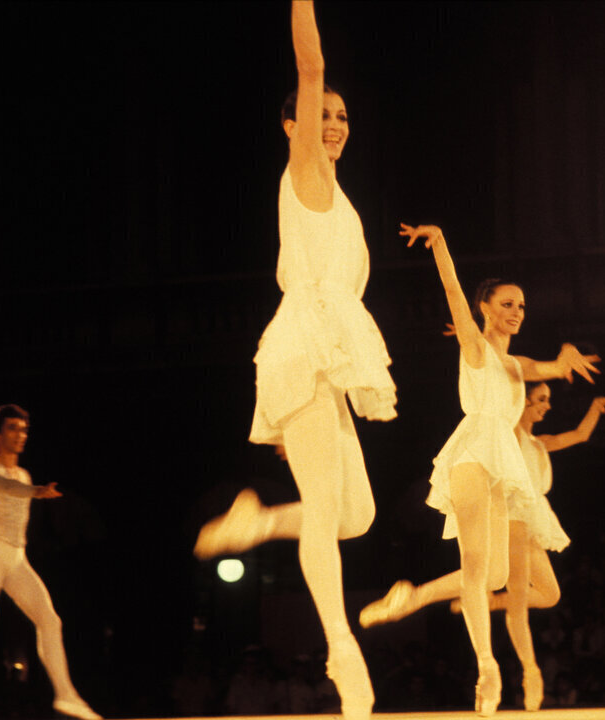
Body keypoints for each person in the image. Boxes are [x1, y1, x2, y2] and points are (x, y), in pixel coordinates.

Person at [193, 4, 396, 719]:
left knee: (356, 516)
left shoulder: (339, 198)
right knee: (326, 516)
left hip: (328, 358)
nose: (334, 122)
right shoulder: (304, 169)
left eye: (342, 115)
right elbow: (310, 65)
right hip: (303, 345)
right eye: (322, 114)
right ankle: (342, 648)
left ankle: (256, 522)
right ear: (294, 125)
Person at [359, 224, 598, 716]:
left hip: (502, 463)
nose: (516, 312)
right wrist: (442, 242)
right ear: (486, 308)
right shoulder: (474, 346)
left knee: (493, 575)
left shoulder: (517, 365)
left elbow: (551, 368)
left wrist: (564, 359)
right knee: (475, 568)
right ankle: (487, 667)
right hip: (471, 453)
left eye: (522, 306)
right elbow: (451, 289)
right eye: (507, 304)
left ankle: (411, 597)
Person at [454, 383, 605, 710]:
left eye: (548, 400)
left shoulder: (537, 442)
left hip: (532, 519)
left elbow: (579, 436)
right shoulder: (511, 434)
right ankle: (531, 672)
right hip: (514, 517)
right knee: (518, 606)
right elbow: (503, 404)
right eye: (541, 400)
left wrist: (595, 408)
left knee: (550, 594)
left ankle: (488, 602)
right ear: (523, 401)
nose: (547, 406)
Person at [0, 404, 100, 720]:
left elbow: (18, 486)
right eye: (12, 428)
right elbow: (4, 486)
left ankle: (66, 695)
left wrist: (31, 488)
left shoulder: (23, 472)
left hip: (16, 556)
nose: (20, 435)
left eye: (23, 429)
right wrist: (34, 492)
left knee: (50, 620)